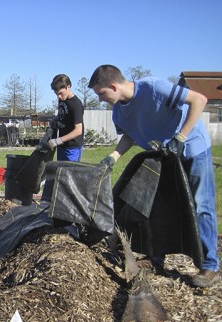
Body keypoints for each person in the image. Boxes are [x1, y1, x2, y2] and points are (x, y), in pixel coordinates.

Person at [88, 64, 220, 288]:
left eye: (102, 94)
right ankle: (157, 258)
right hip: (165, 157)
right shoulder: (119, 111)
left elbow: (199, 100)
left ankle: (209, 266)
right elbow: (129, 136)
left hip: (193, 149)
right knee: (159, 206)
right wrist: (113, 157)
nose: (101, 100)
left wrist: (181, 136)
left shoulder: (153, 87)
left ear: (113, 86)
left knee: (201, 204)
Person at [40, 74, 84, 161]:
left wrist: (57, 141)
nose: (59, 96)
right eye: (56, 94)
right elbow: (64, 115)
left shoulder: (76, 105)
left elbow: (78, 130)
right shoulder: (62, 99)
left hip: (73, 148)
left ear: (68, 87)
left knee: (70, 174)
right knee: (60, 173)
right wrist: (56, 119)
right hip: (62, 146)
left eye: (60, 93)